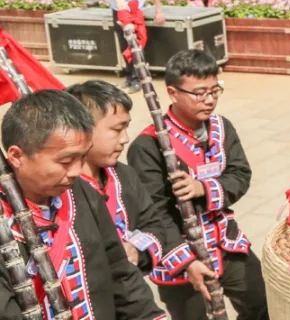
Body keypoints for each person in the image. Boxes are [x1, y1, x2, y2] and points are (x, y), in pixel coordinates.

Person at [0, 90, 166, 319]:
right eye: (66, 161)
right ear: (17, 156)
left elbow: (120, 274)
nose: (77, 171)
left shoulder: (82, 194)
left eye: (82, 158)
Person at [127, 50, 268, 319]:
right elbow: (153, 214)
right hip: (179, 252)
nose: (210, 100)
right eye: (200, 93)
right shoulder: (148, 146)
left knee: (262, 302)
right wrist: (187, 262)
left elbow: (240, 174)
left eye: (215, 91)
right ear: (173, 92)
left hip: (224, 240)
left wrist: (203, 189)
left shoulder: (222, 127)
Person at [66, 80, 216, 286]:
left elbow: (153, 225)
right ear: (81, 130)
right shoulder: (62, 191)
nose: (125, 139)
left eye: (126, 128)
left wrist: (136, 250)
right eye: (117, 129)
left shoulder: (125, 176)